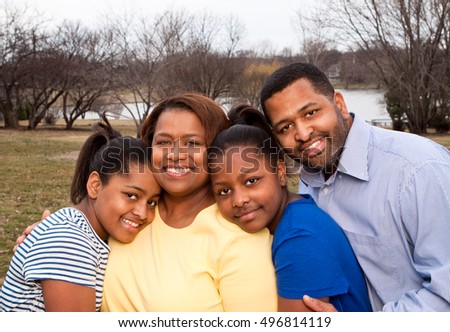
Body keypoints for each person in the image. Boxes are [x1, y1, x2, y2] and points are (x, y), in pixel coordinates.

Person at [260, 62, 450, 312]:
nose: (303, 134)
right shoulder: (309, 180)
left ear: (339, 103)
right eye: (286, 127)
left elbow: (444, 293)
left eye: (310, 113)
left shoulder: (418, 170)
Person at [100, 93, 277, 311]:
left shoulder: (238, 241)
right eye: (163, 142)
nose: (175, 154)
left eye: (192, 143)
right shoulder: (129, 212)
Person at [208, 104, 372, 312]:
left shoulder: (298, 236)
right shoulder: (294, 216)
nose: (238, 200)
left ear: (281, 173)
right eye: (224, 191)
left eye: (251, 181)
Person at [1, 117, 161, 311]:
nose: (143, 212)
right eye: (131, 195)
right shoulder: (69, 240)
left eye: (152, 202)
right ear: (95, 185)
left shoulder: (84, 232)